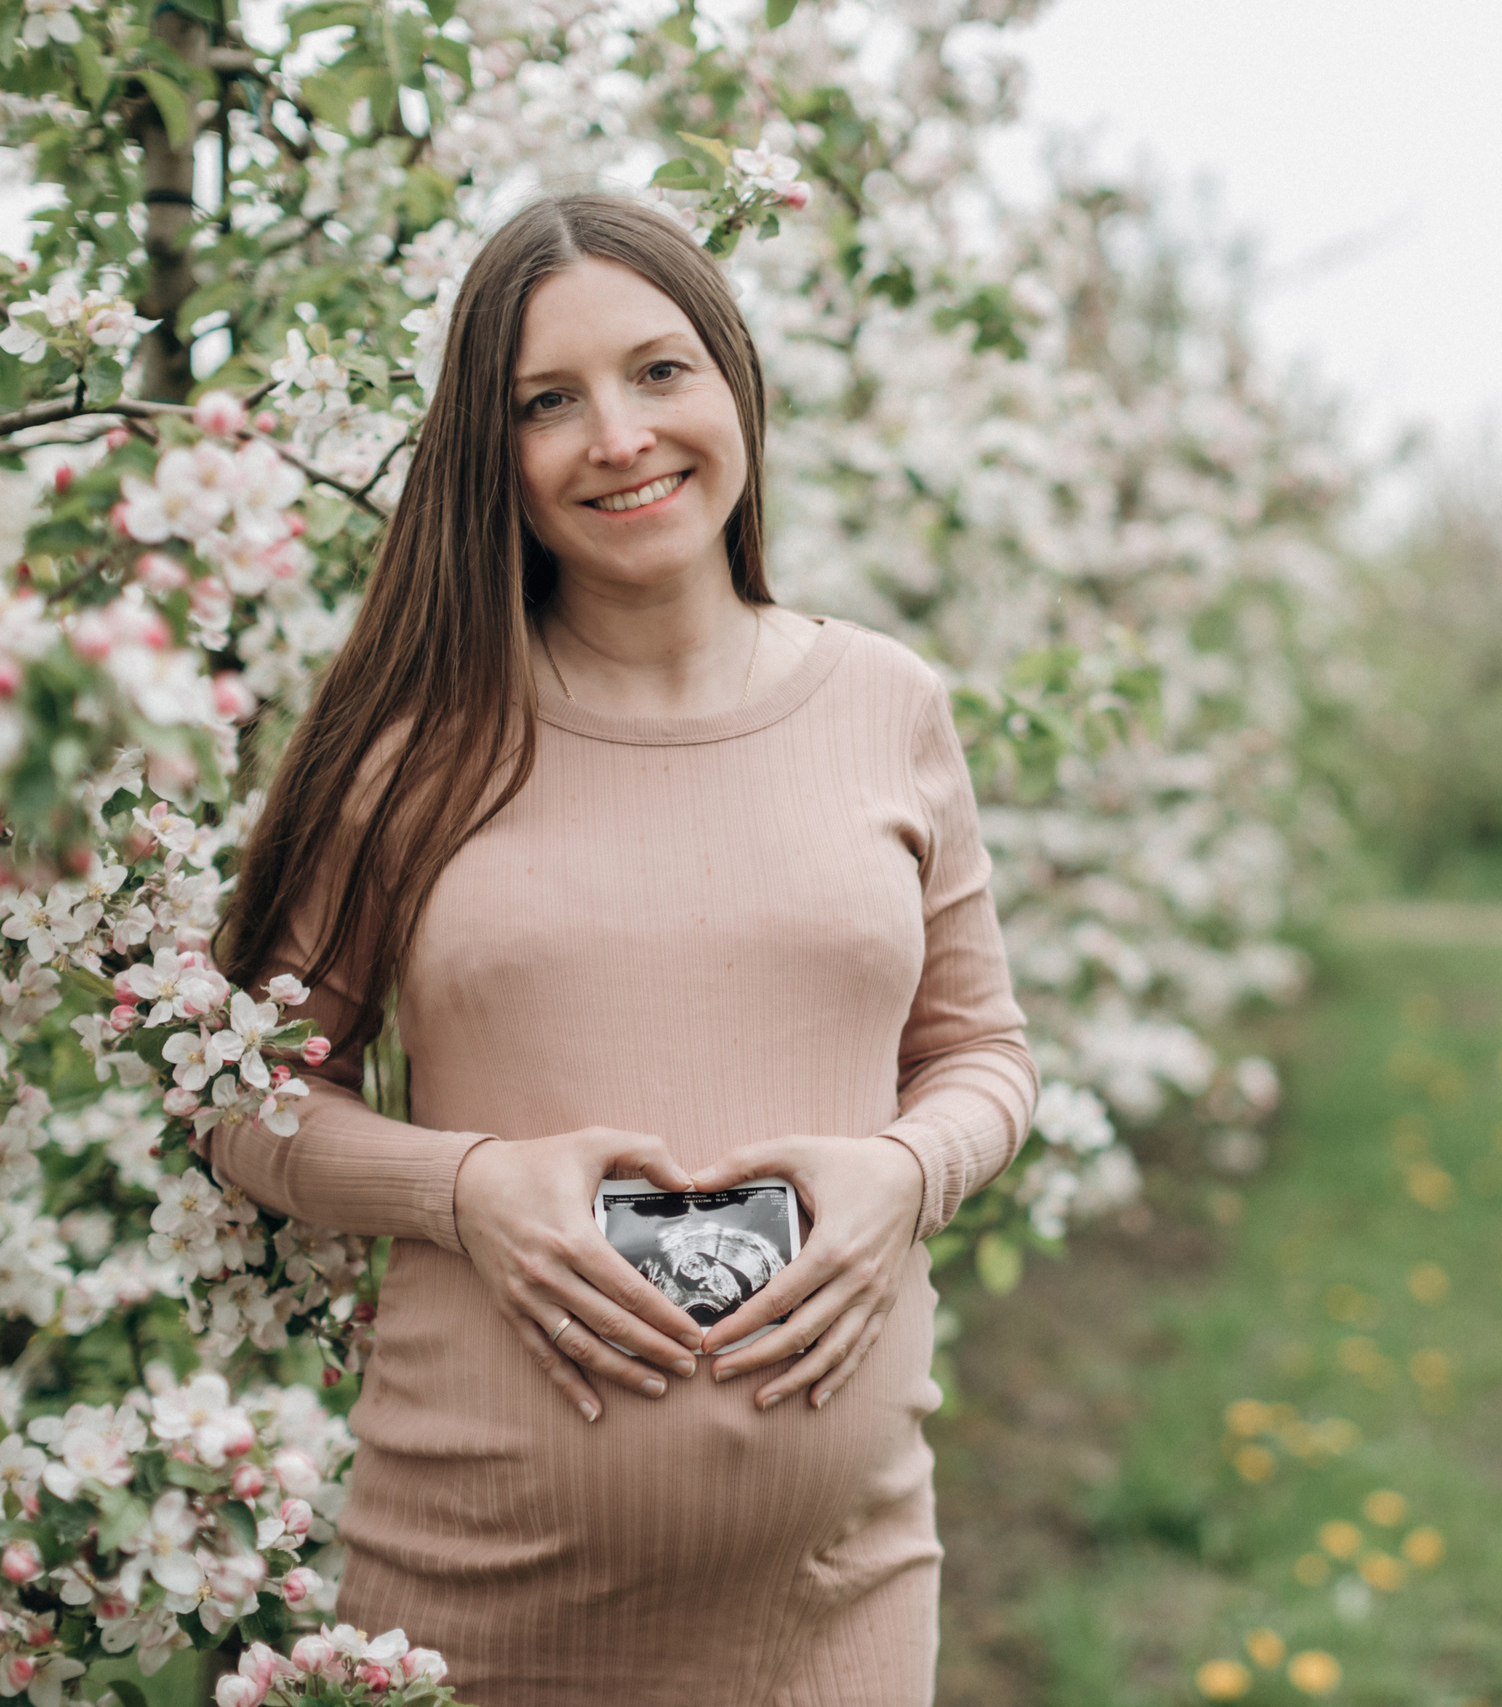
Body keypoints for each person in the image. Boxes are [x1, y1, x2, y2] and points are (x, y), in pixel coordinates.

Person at [211, 191, 1038, 1705]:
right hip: (470, 1608)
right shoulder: (412, 746)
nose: (618, 435)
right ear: (491, 452)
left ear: (734, 384)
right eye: (547, 401)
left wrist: (907, 1174)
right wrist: (464, 1188)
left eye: (660, 371)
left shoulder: (886, 703)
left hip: (833, 1612)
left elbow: (979, 1054)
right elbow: (239, 1101)